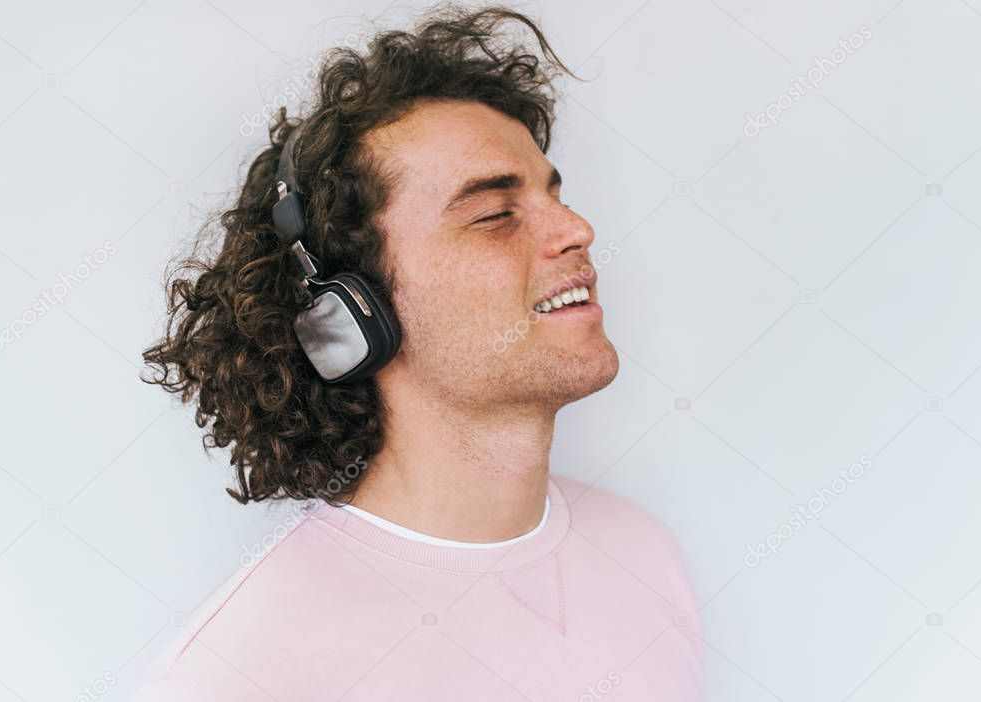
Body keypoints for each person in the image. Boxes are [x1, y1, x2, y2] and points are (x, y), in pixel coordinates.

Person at [135, 5, 704, 700]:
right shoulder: (241, 672)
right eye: (494, 215)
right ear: (345, 316)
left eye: (554, 195)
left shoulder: (642, 552)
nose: (577, 229)